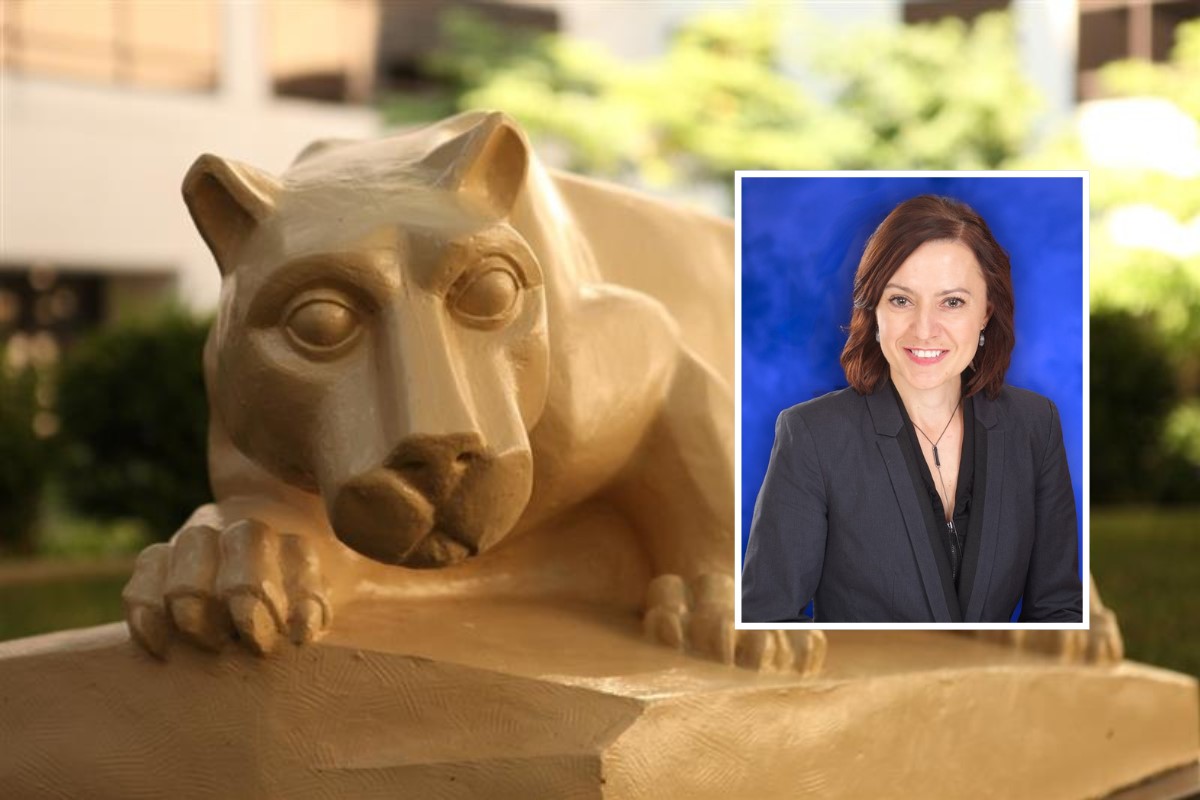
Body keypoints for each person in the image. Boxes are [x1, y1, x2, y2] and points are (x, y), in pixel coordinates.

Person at [741, 194, 1082, 623]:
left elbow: (1059, 611)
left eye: (952, 302)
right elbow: (767, 625)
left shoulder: (1036, 426)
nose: (924, 329)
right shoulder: (811, 435)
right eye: (901, 300)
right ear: (874, 310)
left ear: (986, 313)